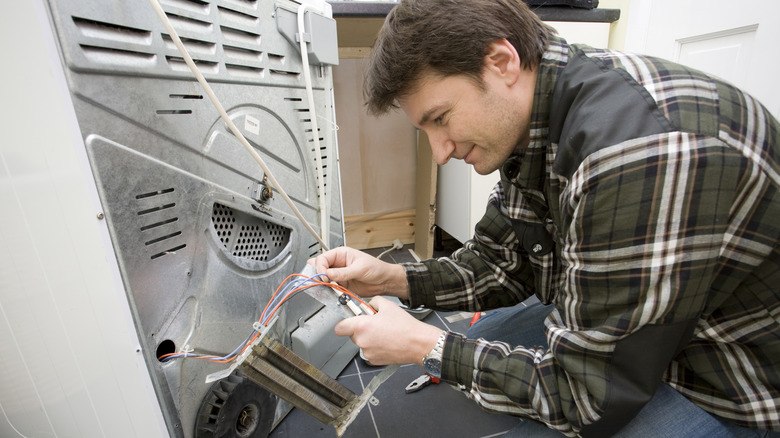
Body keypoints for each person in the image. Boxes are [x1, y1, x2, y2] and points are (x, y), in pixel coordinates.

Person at [310, 0, 780, 436]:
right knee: (474, 364)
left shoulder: (633, 156)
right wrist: (390, 277)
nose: (440, 151)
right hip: (645, 322)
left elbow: (586, 396)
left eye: (441, 118)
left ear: (501, 62)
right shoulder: (540, 119)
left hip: (728, 373)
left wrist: (426, 347)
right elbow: (499, 265)